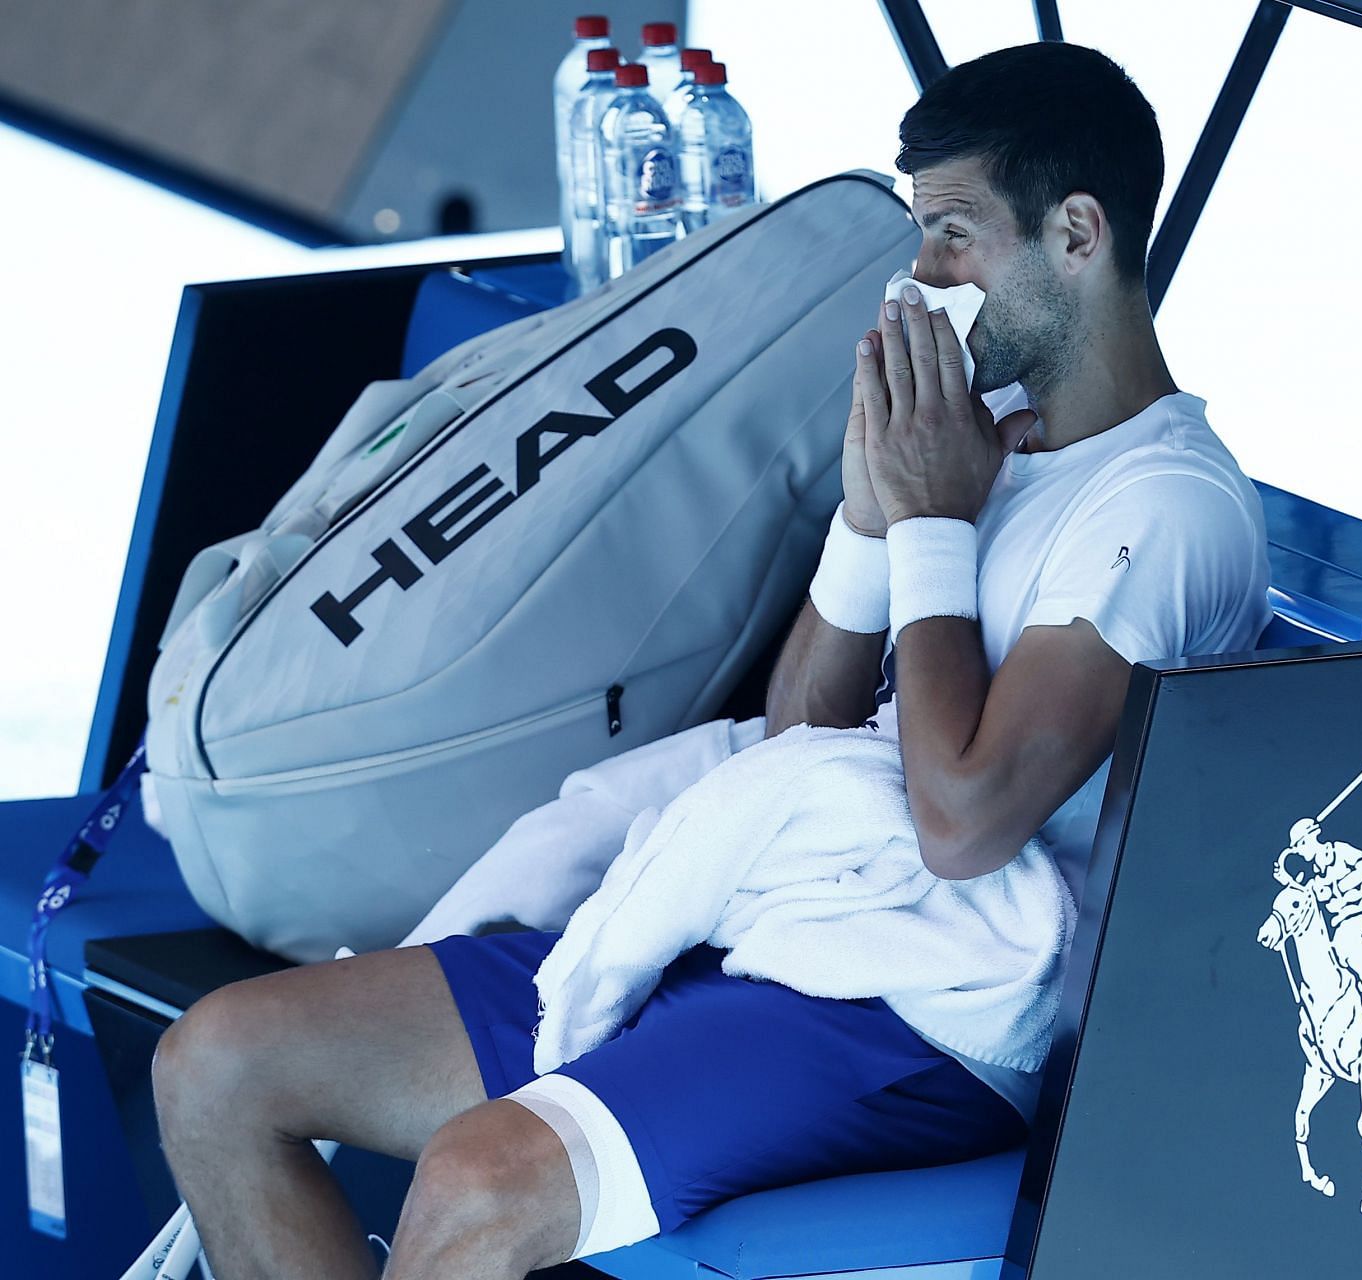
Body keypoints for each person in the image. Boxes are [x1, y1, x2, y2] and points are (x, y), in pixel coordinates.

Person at [150, 41, 1271, 1279]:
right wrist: (866, 520)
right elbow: (802, 739)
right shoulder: (983, 442)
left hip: (932, 1015)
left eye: (955, 236)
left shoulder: (1166, 507)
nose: (922, 278)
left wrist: (934, 525)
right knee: (219, 1063)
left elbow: (964, 826)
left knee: (478, 1179)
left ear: (1076, 234)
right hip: (786, 919)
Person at [1285, 816, 1362, 1067]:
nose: (1300, 852)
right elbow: (1302, 900)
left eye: (1300, 845)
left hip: (1360, 930)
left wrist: (1337, 887)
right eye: (1297, 848)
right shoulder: (1314, 878)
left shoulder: (1339, 852)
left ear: (1311, 838)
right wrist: (1286, 880)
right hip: (1337, 939)